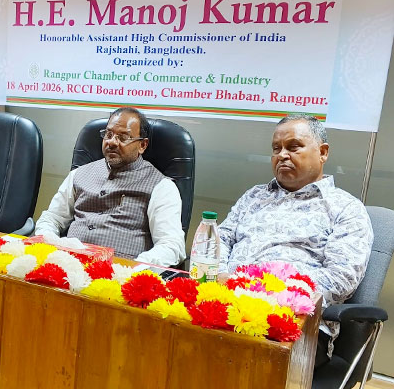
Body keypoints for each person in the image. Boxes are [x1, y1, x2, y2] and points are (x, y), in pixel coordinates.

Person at [218, 113, 373, 368]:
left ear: (322, 152)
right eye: (276, 149)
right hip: (227, 306)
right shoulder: (254, 197)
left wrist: (266, 296)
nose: (282, 155)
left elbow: (340, 279)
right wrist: (220, 275)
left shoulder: (345, 208)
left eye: (293, 147)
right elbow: (220, 240)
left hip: (294, 323)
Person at [35, 107, 185, 266]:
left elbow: (172, 245)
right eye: (108, 134)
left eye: (123, 137)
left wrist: (135, 268)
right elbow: (51, 218)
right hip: (67, 267)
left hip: (119, 273)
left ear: (142, 145)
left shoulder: (161, 186)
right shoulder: (78, 174)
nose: (112, 142)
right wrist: (50, 246)